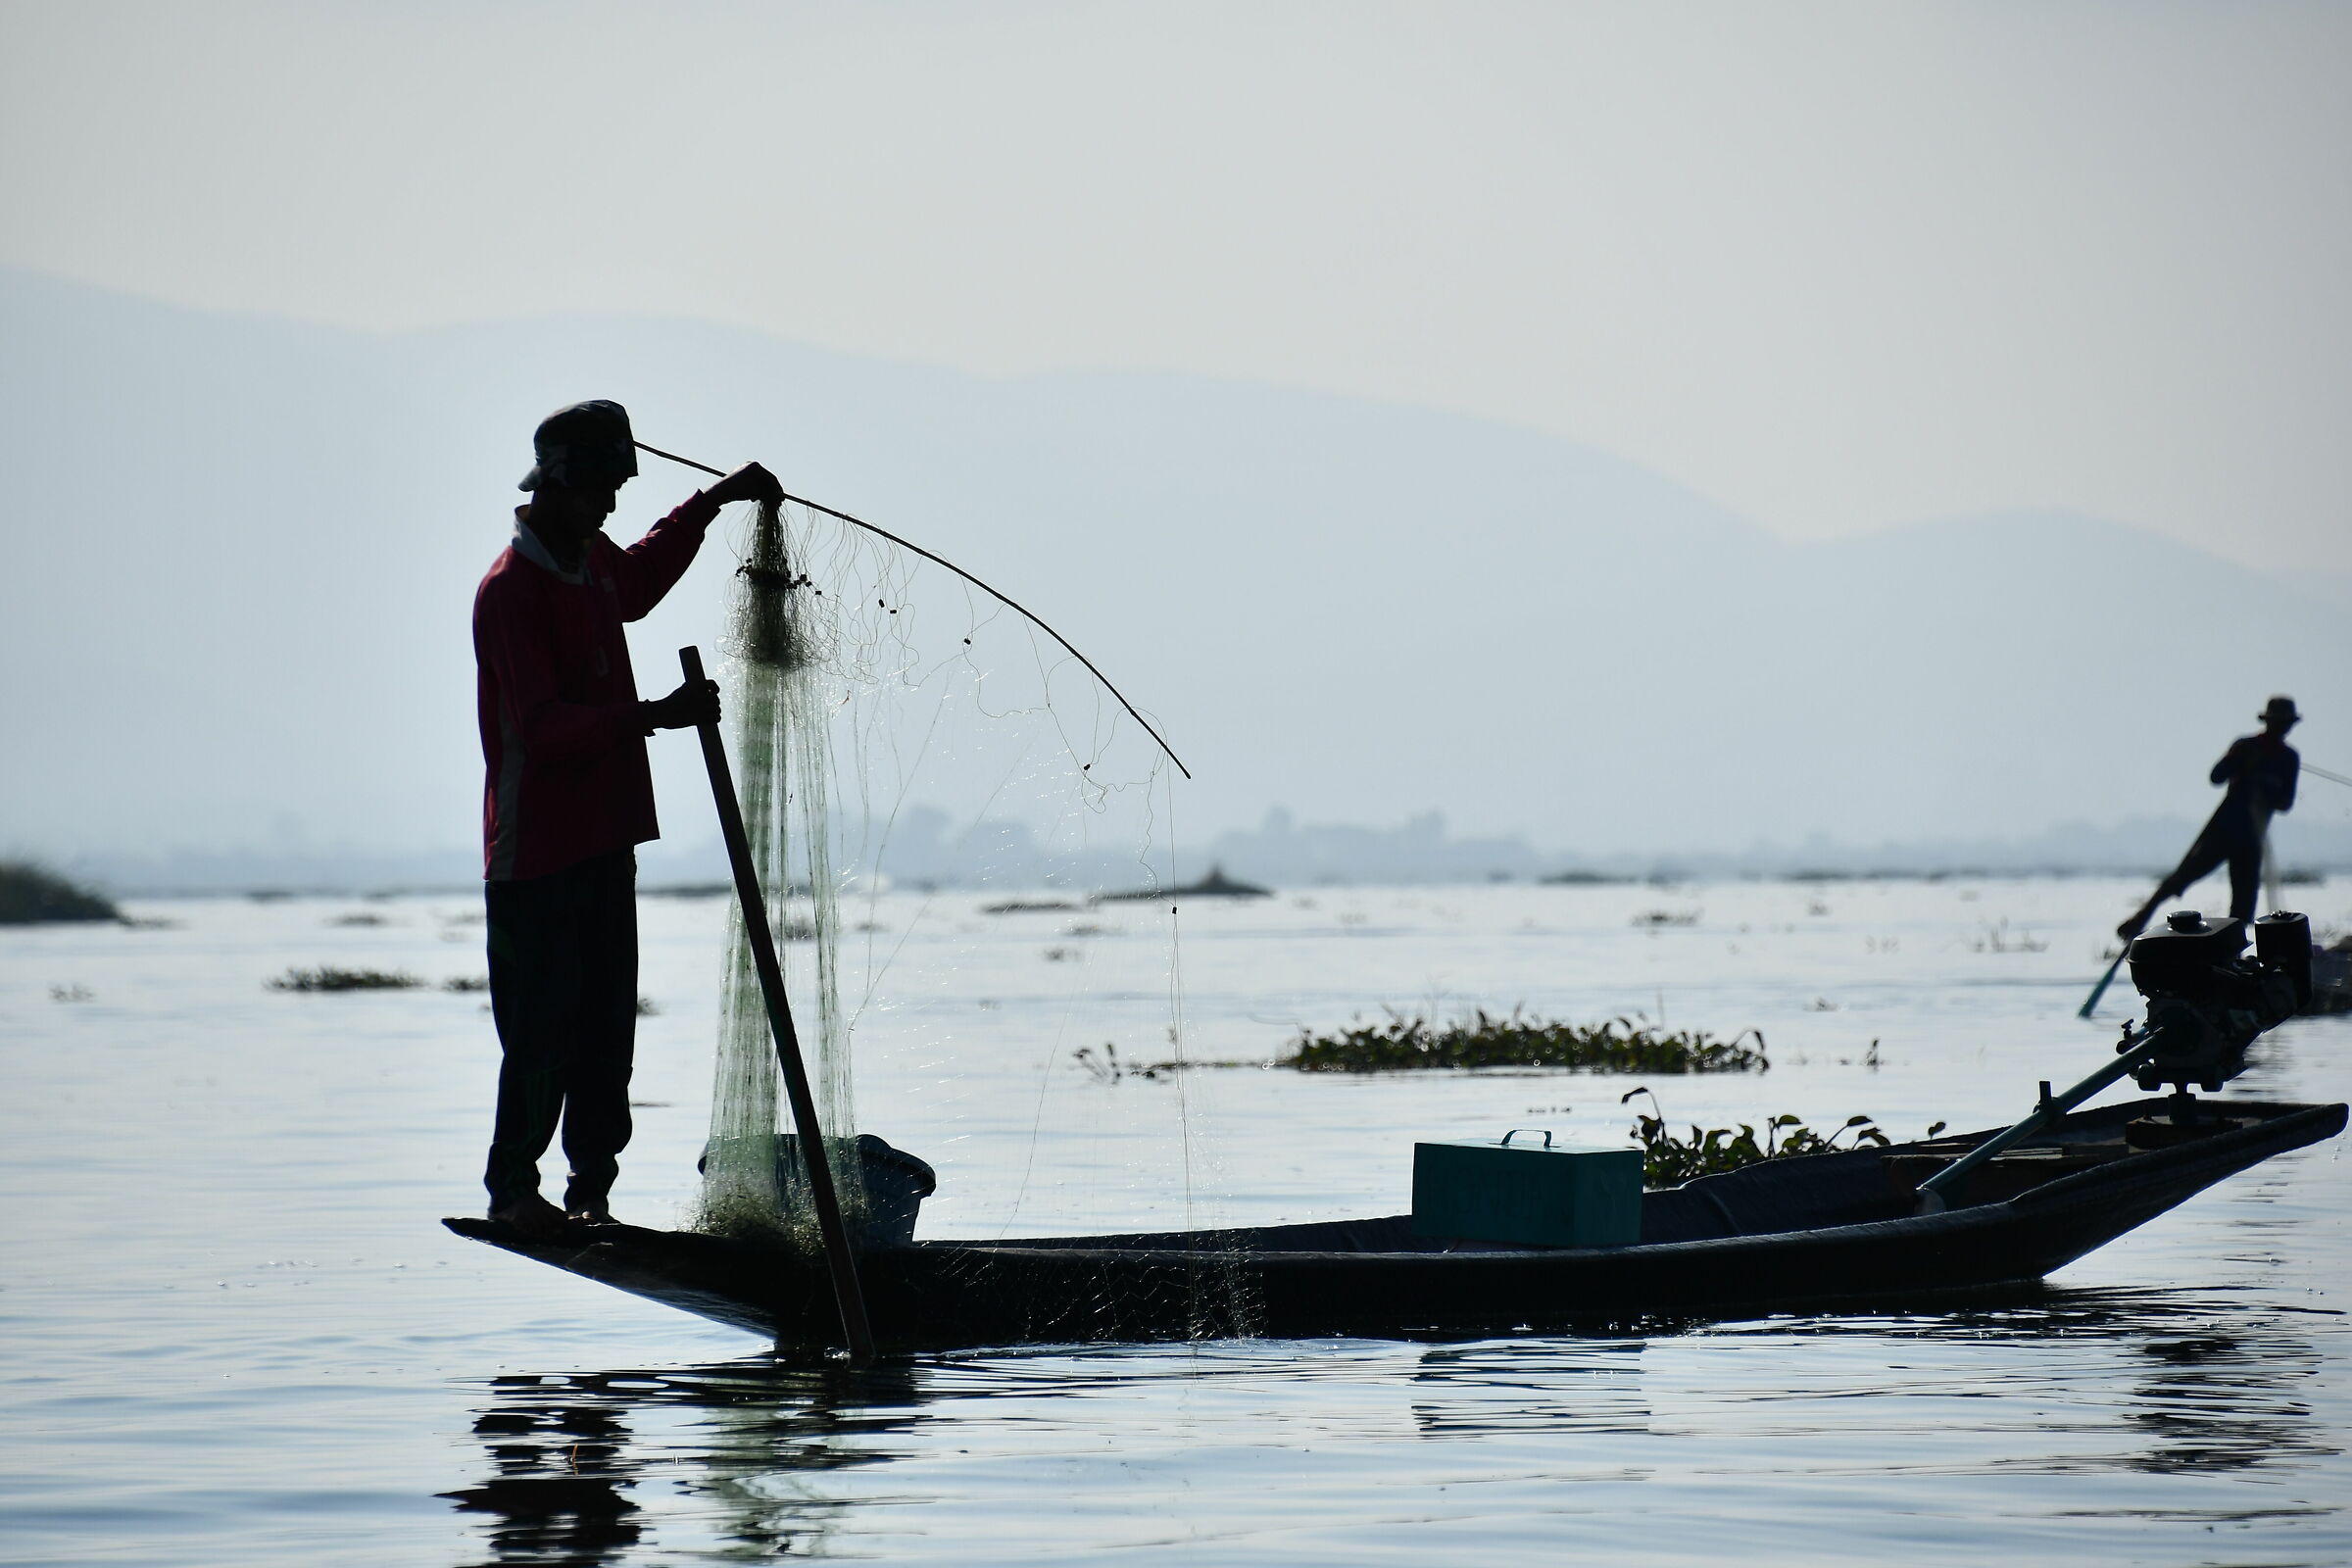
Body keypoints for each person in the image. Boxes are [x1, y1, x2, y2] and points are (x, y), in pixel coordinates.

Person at [473, 399, 781, 1238]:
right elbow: (541, 728)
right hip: (537, 852)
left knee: (608, 1034)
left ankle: (591, 1194)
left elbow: (639, 585)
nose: (610, 507)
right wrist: (654, 716)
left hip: (608, 838)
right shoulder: (511, 591)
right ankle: (513, 1191)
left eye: (618, 491)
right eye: (598, 491)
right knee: (542, 1034)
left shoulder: (591, 563)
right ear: (555, 485)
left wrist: (712, 503)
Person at [2118, 696, 2302, 941]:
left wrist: (2264, 786)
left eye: (2285, 723)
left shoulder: (2288, 758)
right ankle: (2140, 918)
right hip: (2223, 829)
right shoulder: (2245, 746)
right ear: (2268, 722)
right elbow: (2216, 777)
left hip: (2251, 839)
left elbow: (2285, 803)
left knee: (2243, 904)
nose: (2282, 728)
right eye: (2278, 722)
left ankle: (2230, 949)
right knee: (2182, 876)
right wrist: (2237, 761)